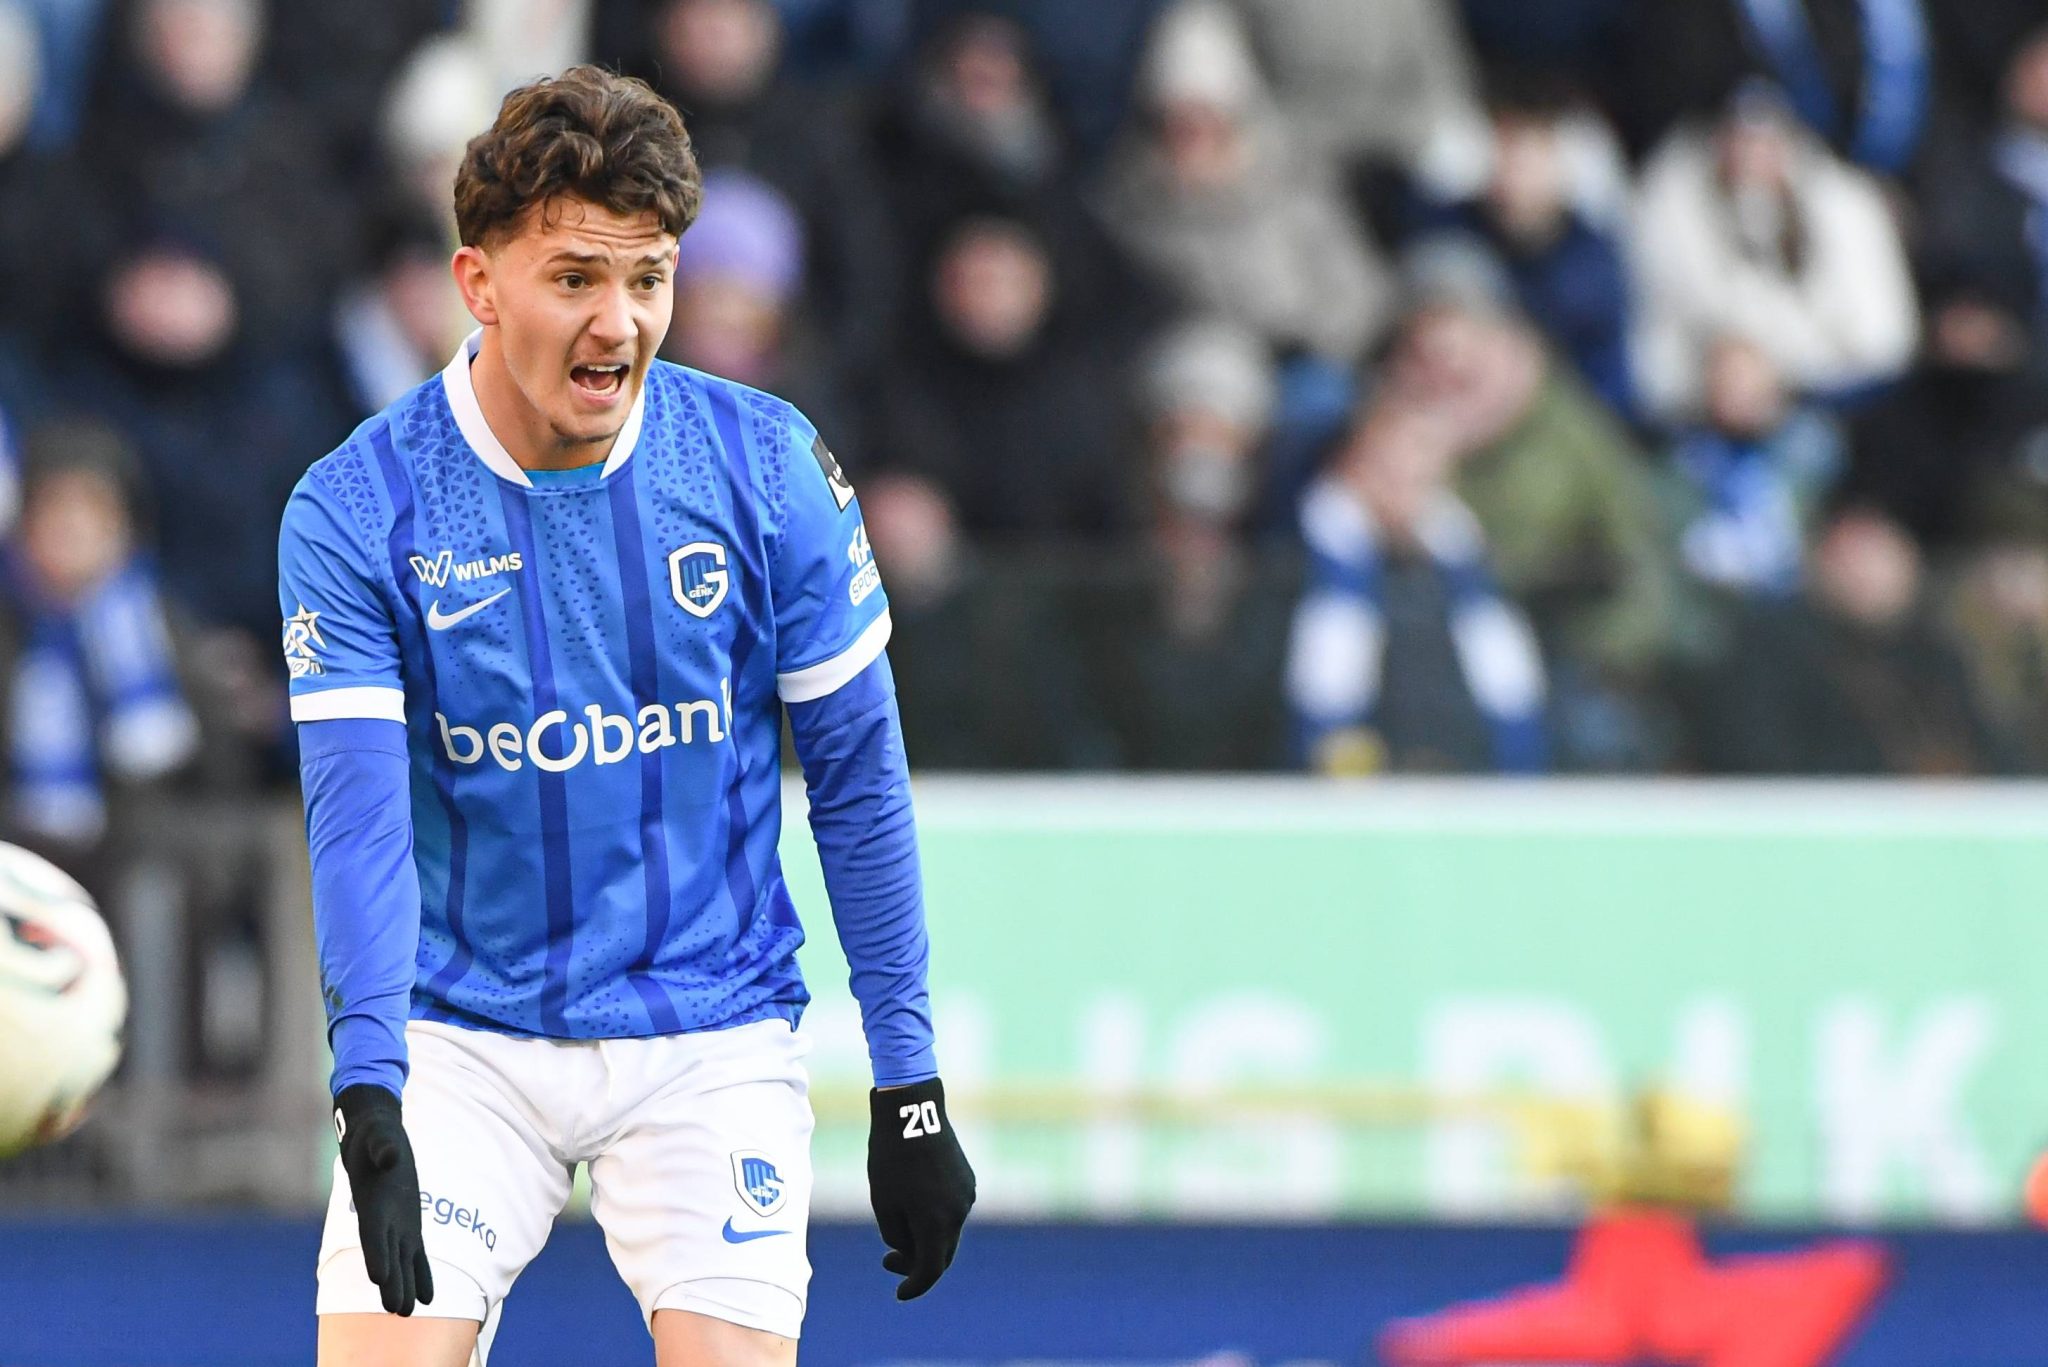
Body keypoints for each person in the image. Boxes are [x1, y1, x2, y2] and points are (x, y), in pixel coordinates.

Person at [276, 67, 974, 1365]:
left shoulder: (768, 472)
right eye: (576, 277)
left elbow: (861, 783)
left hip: (706, 1028)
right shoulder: (356, 508)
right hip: (461, 1033)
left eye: (648, 277)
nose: (619, 322)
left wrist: (909, 1084)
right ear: (479, 285)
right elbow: (360, 828)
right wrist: (370, 1087)